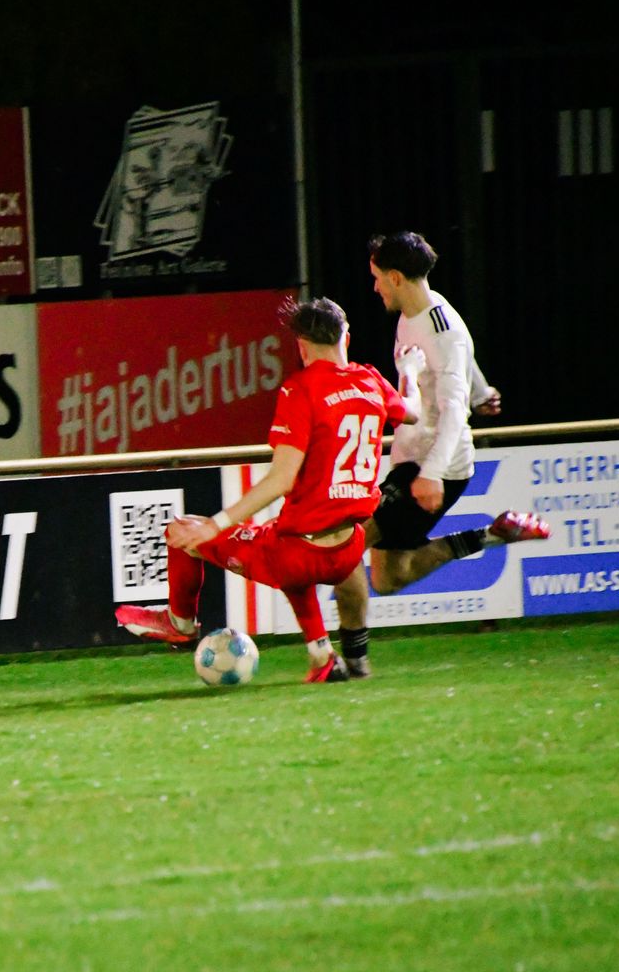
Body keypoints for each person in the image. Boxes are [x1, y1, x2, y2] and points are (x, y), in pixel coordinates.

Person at [115, 297, 409, 682]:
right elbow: (412, 413)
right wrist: (412, 371)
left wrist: (215, 524)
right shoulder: (371, 380)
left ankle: (180, 624)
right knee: (279, 539)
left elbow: (280, 479)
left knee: (181, 531)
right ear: (347, 339)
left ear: (301, 345)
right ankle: (322, 658)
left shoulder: (301, 389)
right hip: (348, 547)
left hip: (300, 553)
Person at [332, 231, 549, 678]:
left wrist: (429, 473)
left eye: (378, 278)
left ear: (396, 277)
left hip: (435, 466)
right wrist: (482, 391)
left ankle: (349, 662)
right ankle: (490, 534)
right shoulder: (419, 315)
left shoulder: (441, 331)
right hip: (415, 459)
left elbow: (453, 413)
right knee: (388, 578)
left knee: (345, 543)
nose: (375, 287)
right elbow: (464, 365)